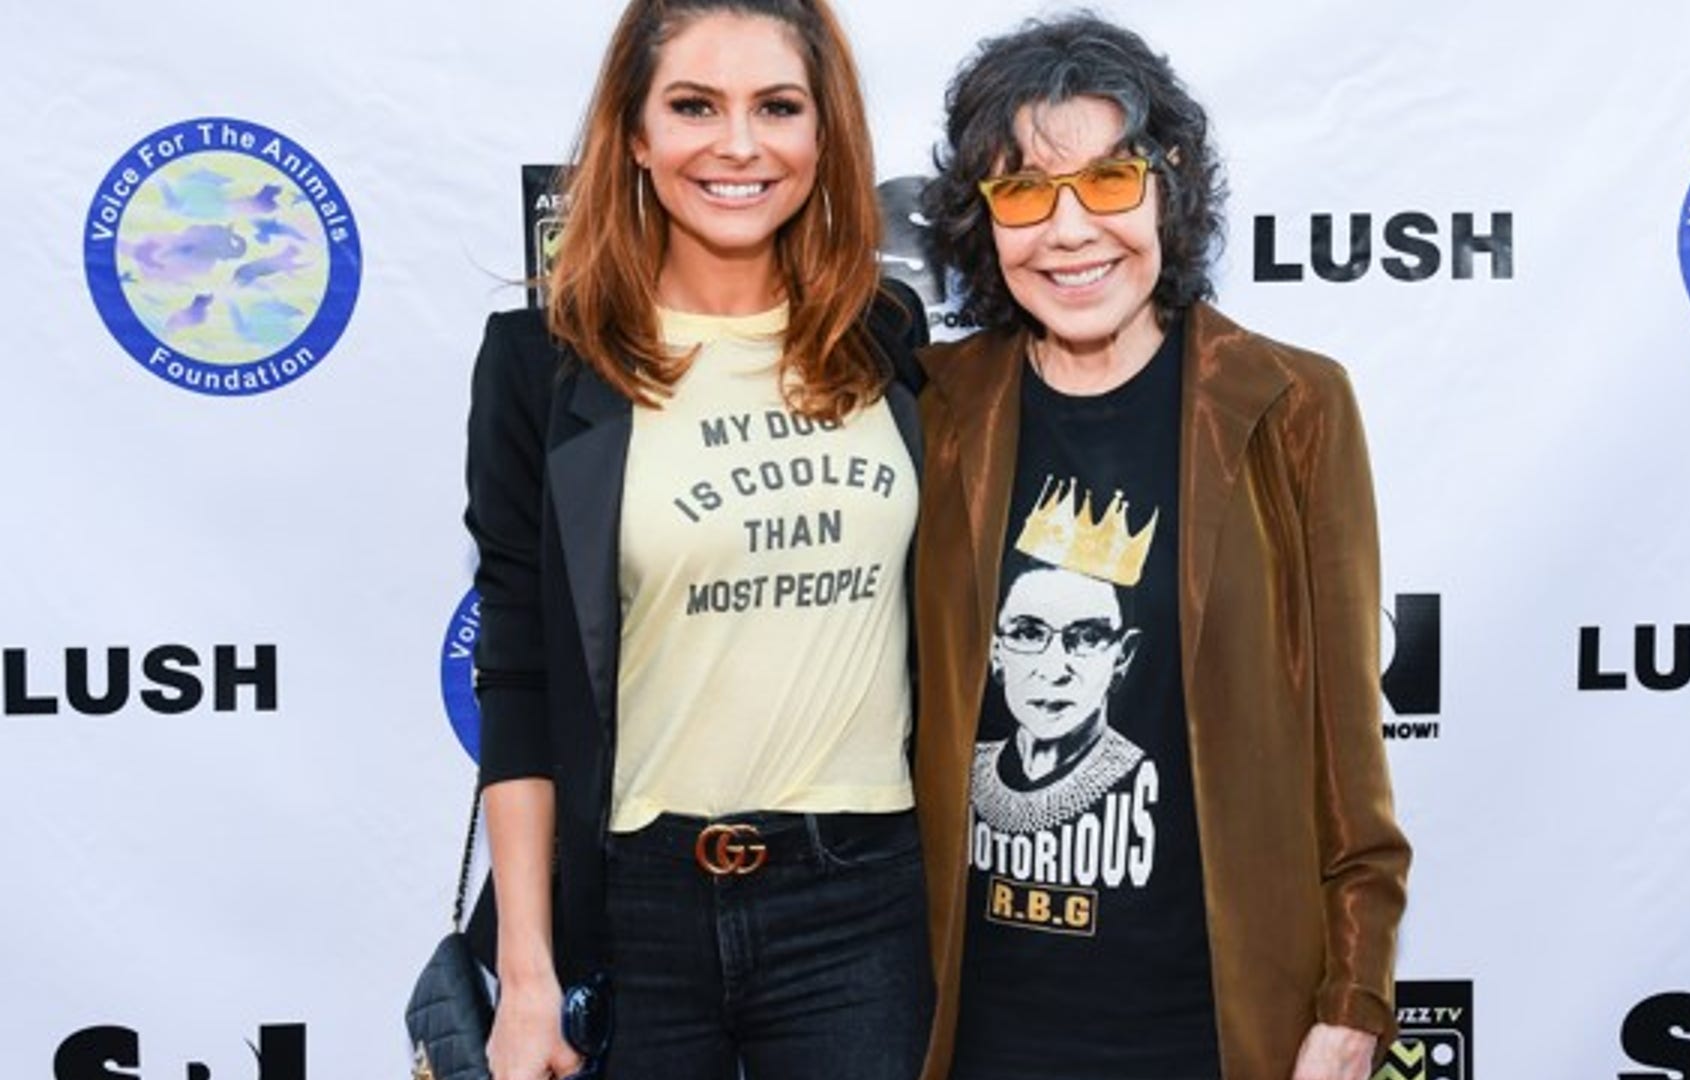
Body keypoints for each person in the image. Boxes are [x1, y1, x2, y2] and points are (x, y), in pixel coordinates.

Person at [912, 14, 1411, 1080]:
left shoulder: (1290, 405)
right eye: (1023, 193)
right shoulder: (937, 408)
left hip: (1214, 1025)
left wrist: (1356, 997)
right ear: (982, 220)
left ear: (1168, 187)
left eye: (1107, 180)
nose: (1069, 230)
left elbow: (1346, 744)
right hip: (977, 1029)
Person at [462, 2, 932, 1078]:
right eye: (693, 105)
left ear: (825, 133)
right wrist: (527, 975)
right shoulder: (543, 365)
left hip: (862, 905)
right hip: (636, 912)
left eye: (777, 106)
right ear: (633, 133)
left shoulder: (889, 338)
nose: (738, 144)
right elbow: (520, 676)